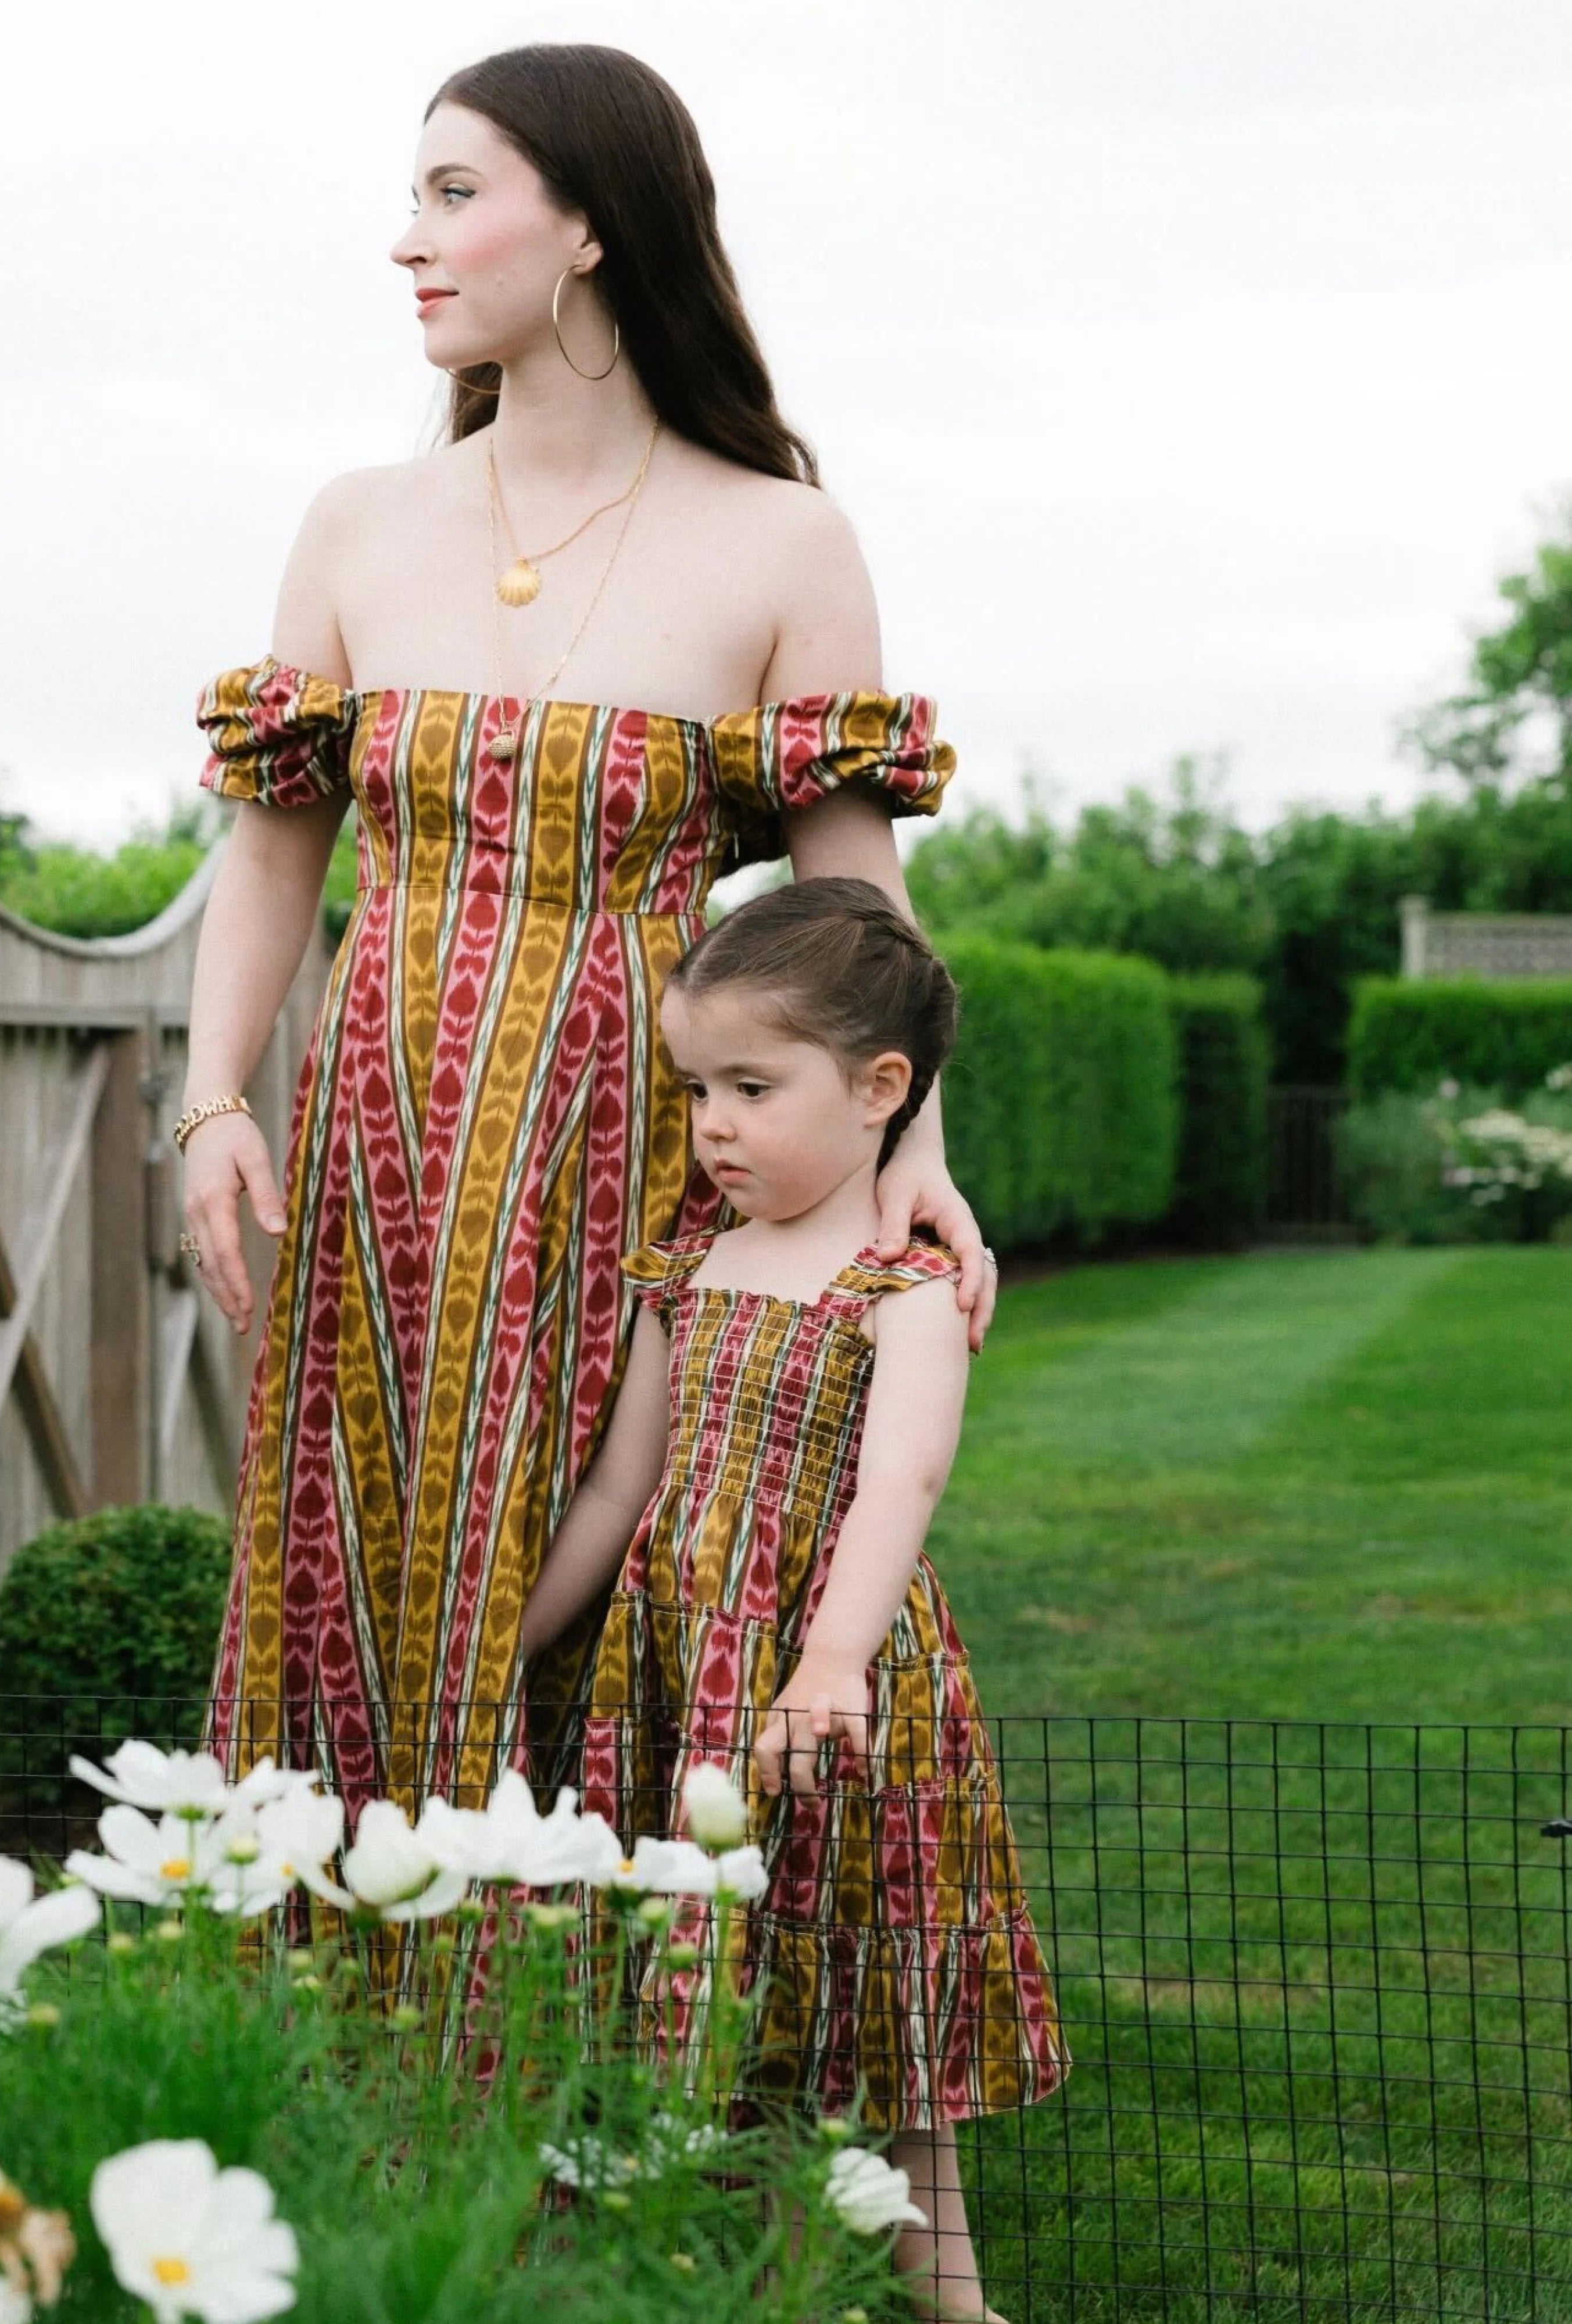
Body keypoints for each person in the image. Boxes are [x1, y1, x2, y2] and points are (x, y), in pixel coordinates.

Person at [177, 43, 997, 1820]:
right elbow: (273, 853)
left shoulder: (783, 541)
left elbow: (854, 907)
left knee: (594, 1530)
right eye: (413, 196)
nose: (409, 239)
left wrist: (915, 1150)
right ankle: (341, 1948)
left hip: (630, 1138)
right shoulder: (356, 524)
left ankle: (573, 1964)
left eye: (454, 193)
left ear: (593, 228)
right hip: (379, 1147)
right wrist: (212, 1096)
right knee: (360, 1528)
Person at [521, 878, 1066, 2324]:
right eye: (695, 1087)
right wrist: (512, 1637)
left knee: (869, 1995)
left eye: (750, 1088)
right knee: (723, 1989)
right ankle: (756, 2274)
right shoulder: (689, 1265)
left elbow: (901, 1481)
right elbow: (618, 1487)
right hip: (683, 1672)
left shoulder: (905, 1284)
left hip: (826, 1685)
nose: (711, 1123)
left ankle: (950, 2295)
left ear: (879, 1088)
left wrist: (827, 1660)